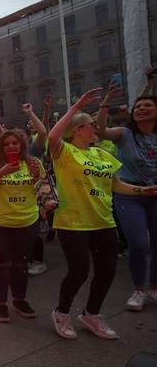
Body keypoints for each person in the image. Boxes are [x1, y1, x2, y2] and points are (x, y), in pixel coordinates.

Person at [47, 89, 157, 340]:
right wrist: (76, 107)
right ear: (77, 129)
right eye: (90, 125)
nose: (96, 128)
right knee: (79, 271)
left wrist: (143, 190)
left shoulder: (101, 153)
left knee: (107, 271)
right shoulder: (64, 152)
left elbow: (116, 184)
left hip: (103, 221)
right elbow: (53, 135)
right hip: (73, 222)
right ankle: (61, 312)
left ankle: (91, 314)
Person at [96, 69, 157, 311]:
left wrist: (150, 84)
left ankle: (154, 287)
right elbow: (101, 132)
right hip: (129, 195)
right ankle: (138, 289)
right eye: (138, 106)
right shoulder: (125, 134)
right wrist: (106, 102)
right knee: (140, 243)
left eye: (147, 106)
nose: (141, 108)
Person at [0, 130, 43, 322]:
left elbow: (42, 186)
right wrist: (4, 170)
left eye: (15, 143)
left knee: (21, 265)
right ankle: (0, 303)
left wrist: (37, 176)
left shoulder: (32, 163)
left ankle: (20, 300)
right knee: (0, 265)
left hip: (26, 221)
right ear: (0, 147)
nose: (11, 146)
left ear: (22, 145)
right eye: (6, 144)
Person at [22, 100, 52, 275]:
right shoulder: (11, 154)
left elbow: (42, 131)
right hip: (21, 198)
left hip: (36, 196)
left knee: (32, 231)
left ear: (28, 137)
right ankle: (26, 260)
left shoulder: (33, 149)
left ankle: (39, 261)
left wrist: (30, 113)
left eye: (21, 136)